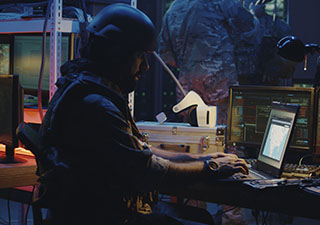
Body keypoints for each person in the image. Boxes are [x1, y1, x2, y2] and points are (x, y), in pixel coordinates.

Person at [36, 3, 248, 225]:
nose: (145, 67)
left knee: (200, 216)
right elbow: (148, 171)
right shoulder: (97, 106)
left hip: (91, 211)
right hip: (100, 217)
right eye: (140, 57)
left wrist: (201, 158)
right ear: (116, 55)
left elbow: (140, 151)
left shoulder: (86, 90)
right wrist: (210, 168)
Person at [158, 0, 260, 125]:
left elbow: (168, 58)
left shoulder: (173, 9)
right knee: (222, 137)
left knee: (192, 137)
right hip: (219, 88)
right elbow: (252, 30)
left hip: (187, 89)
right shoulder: (223, 3)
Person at [243, 0, 294, 86]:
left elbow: (289, 64)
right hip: (242, 82)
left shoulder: (278, 26)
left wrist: (275, 65)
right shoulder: (237, 22)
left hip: (269, 83)